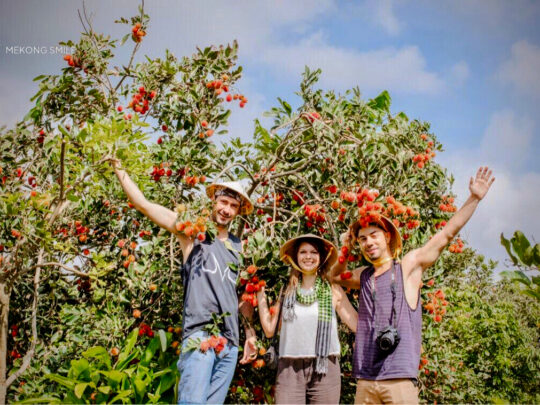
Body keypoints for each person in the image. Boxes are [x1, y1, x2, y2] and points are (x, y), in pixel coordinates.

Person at [331, 167, 495, 404]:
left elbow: (446, 235)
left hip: (399, 379)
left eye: (374, 235)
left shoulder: (407, 268)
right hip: (365, 379)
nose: (368, 242)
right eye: (363, 238)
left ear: (387, 236)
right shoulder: (364, 276)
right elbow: (334, 277)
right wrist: (345, 246)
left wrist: (474, 198)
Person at [110, 159, 258, 405]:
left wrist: (250, 334)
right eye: (223, 202)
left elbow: (243, 298)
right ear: (213, 202)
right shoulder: (193, 234)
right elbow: (144, 205)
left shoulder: (240, 249)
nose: (226, 209)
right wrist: (119, 168)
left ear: (238, 211)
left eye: (233, 206)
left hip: (230, 345)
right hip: (200, 335)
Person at [256, 234, 358, 404]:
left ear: (321, 257)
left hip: (325, 366)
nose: (308, 256)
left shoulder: (332, 289)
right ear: (296, 257)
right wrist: (260, 296)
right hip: (290, 367)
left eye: (314, 252)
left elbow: (356, 323)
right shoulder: (287, 291)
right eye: (303, 252)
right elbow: (269, 330)